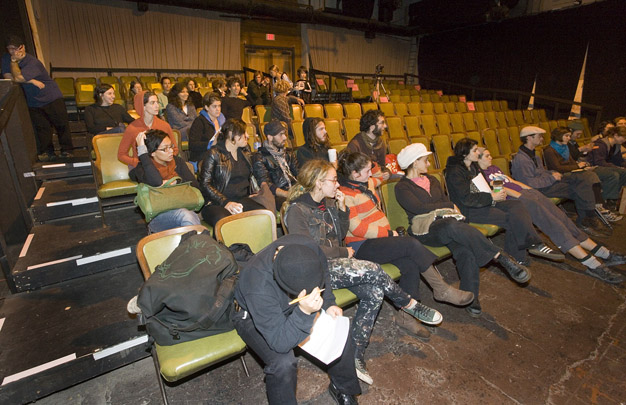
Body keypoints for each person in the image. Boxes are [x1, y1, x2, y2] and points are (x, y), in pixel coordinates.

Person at [284, 159, 444, 385]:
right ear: (319, 183)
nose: (337, 184)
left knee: (375, 292)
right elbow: (308, 249)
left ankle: (356, 354)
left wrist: (341, 209)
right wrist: (342, 251)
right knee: (372, 269)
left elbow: (339, 235)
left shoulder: (327, 203)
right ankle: (409, 304)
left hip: (337, 265)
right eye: (333, 180)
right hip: (316, 270)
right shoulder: (296, 210)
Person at [394, 143, 531, 317]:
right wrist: (448, 205)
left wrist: (447, 207)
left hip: (448, 224)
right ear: (414, 163)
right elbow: (419, 208)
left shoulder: (432, 180)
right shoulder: (402, 187)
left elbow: (443, 202)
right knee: (452, 226)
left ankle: (471, 297)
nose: (429, 164)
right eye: (425, 160)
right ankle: (499, 256)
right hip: (425, 230)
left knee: (466, 250)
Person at [233, 234, 361, 404]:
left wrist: (329, 303)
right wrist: (303, 313)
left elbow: (324, 274)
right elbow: (279, 342)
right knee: (282, 363)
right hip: (251, 313)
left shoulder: (308, 247)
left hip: (293, 302)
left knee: (337, 326)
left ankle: (343, 388)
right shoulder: (257, 283)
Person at [478, 147, 625, 284]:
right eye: (486, 155)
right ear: (477, 159)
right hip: (517, 201)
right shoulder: (481, 175)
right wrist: (522, 197)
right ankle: (591, 263)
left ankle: (603, 253)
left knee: (563, 219)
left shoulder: (493, 168)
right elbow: (501, 189)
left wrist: (532, 192)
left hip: (527, 194)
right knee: (555, 226)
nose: (491, 157)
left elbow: (512, 181)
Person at [446, 137, 564, 265]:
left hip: (484, 202)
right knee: (511, 218)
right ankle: (524, 253)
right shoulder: (454, 171)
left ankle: (527, 249)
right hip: (470, 209)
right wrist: (492, 197)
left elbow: (484, 186)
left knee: (517, 205)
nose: (478, 153)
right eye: (474, 150)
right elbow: (466, 199)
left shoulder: (473, 166)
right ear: (465, 154)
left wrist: (495, 192)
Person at [511, 126, 606, 236]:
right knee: (578, 187)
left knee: (582, 181)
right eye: (539, 136)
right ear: (529, 138)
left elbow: (541, 172)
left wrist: (552, 173)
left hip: (546, 184)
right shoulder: (522, 159)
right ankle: (587, 219)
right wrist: (552, 178)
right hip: (538, 190)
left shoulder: (533, 155)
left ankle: (587, 218)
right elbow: (529, 184)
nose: (542, 139)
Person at [1, 35, 74, 161]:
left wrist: (14, 63)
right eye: (9, 49)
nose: (12, 52)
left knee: (61, 125)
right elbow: (9, 78)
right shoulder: (6, 58)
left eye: (15, 48)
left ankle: (67, 150)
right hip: (33, 100)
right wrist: (32, 81)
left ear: (22, 47)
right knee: (42, 128)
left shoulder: (32, 62)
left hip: (51, 97)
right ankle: (48, 152)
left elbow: (18, 78)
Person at [129, 129, 202, 233]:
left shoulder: (177, 162)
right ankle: (198, 241)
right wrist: (142, 152)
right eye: (165, 149)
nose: (171, 151)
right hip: (159, 217)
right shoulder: (143, 169)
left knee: (187, 214)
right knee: (185, 215)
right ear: (152, 153)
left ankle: (195, 241)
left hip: (184, 206)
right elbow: (156, 182)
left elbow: (195, 185)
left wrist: (175, 182)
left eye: (171, 146)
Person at [198, 119, 265, 228]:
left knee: (263, 215)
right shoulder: (214, 154)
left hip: (241, 199)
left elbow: (251, 176)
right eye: (243, 133)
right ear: (231, 135)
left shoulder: (245, 152)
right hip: (216, 202)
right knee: (228, 223)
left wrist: (253, 191)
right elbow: (205, 184)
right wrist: (225, 202)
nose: (247, 136)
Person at [544, 127, 622, 221]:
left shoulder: (565, 148)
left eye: (569, 136)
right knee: (589, 177)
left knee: (590, 175)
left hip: (570, 172)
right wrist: (577, 166)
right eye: (566, 136)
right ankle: (599, 207)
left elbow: (572, 163)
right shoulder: (549, 150)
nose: (569, 138)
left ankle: (599, 206)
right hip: (560, 175)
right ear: (558, 136)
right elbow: (557, 168)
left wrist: (581, 166)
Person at [118, 90, 178, 169]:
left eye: (157, 102)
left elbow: (175, 149)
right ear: (143, 106)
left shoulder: (164, 125)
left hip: (162, 166)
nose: (157, 106)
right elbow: (121, 154)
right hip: (142, 167)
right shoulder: (132, 128)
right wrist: (136, 162)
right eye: (152, 103)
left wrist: (165, 160)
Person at [252, 119, 298, 210]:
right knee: (295, 206)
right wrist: (287, 194)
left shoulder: (288, 153)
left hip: (294, 189)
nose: (285, 137)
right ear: (270, 137)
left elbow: (299, 173)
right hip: (277, 195)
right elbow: (265, 184)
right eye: (281, 134)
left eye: (285, 134)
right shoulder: (260, 157)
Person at [345, 109, 390, 181]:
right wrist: (371, 174)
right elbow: (351, 172)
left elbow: (382, 166)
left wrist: (387, 173)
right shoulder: (355, 145)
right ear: (372, 127)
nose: (385, 126)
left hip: (376, 179)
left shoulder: (381, 143)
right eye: (382, 123)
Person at [189, 92, 225, 167]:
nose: (218, 109)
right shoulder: (199, 121)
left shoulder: (222, 119)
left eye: (219, 106)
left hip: (219, 155)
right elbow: (192, 145)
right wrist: (210, 144)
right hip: (202, 157)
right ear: (206, 107)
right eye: (214, 106)